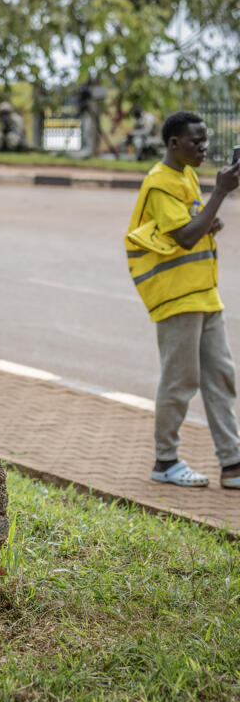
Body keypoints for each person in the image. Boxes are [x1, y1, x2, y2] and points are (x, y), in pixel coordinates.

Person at [125, 111, 240, 489]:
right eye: (196, 141)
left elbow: (190, 225)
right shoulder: (160, 183)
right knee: (180, 380)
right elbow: (186, 237)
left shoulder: (185, 174)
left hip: (204, 292)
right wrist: (220, 193)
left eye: (205, 140)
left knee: (221, 378)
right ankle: (165, 461)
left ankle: (233, 463)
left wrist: (209, 220)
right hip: (177, 297)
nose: (203, 147)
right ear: (174, 144)